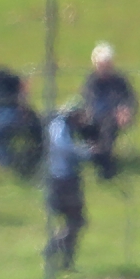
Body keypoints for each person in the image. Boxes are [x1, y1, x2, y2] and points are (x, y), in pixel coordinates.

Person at [43, 102, 94, 269]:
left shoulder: (70, 127)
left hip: (70, 179)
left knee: (76, 222)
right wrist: (86, 151)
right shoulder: (58, 125)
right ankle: (53, 247)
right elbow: (63, 147)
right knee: (75, 221)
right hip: (61, 180)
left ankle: (67, 261)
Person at [79, 42, 137, 180]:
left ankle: (105, 165)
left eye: (107, 64)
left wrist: (126, 111)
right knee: (85, 125)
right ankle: (96, 156)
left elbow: (130, 99)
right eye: (101, 65)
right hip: (95, 116)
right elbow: (89, 101)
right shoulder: (91, 81)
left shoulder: (120, 81)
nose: (104, 68)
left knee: (108, 127)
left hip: (113, 118)